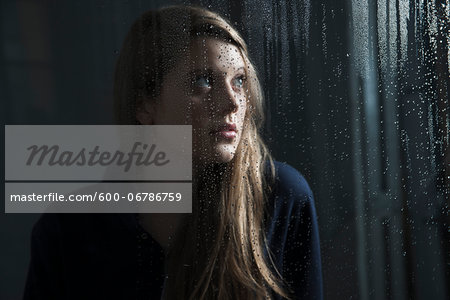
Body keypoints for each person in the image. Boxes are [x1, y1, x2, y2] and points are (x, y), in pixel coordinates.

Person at [23, 5, 323, 300]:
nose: (233, 103)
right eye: (203, 81)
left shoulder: (280, 197)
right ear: (144, 105)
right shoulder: (68, 230)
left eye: (240, 81)